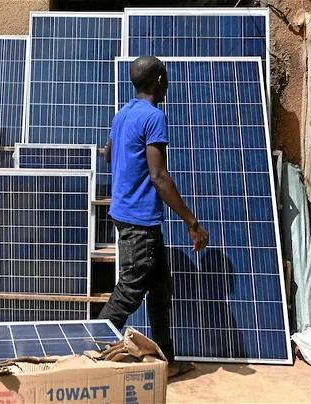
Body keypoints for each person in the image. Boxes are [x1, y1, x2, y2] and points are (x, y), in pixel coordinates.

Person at [99, 56, 209, 377]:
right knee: (129, 293)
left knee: (159, 291)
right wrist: (192, 222)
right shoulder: (153, 117)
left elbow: (108, 154)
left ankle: (165, 363)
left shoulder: (123, 114)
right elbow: (159, 176)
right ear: (160, 80)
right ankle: (90, 356)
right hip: (140, 222)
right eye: (166, 77)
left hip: (127, 215)